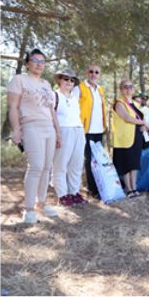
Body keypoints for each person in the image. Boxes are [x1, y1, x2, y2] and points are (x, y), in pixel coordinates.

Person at [7, 50, 61, 223]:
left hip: (49, 128)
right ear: (27, 63)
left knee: (47, 167)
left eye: (43, 61)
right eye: (35, 60)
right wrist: (16, 130)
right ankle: (29, 209)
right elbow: (13, 107)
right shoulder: (19, 80)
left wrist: (58, 132)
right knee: (36, 166)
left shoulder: (46, 84)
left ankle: (42, 203)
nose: (39, 64)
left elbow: (52, 110)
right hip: (31, 125)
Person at [50, 68, 87, 207]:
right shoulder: (55, 95)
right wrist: (57, 134)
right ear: (59, 79)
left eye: (72, 80)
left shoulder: (74, 97)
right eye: (66, 79)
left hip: (78, 130)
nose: (69, 82)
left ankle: (74, 192)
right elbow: (51, 115)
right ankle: (62, 195)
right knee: (60, 165)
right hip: (63, 131)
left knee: (76, 165)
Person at [112, 81, 147, 197]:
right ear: (121, 89)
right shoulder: (119, 103)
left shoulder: (136, 104)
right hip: (124, 138)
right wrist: (142, 122)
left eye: (131, 86)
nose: (128, 89)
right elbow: (126, 118)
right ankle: (129, 188)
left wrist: (143, 126)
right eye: (125, 87)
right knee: (126, 164)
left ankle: (135, 187)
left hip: (136, 137)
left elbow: (139, 118)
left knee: (134, 163)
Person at [79, 63, 107, 197]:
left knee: (98, 159)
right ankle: (92, 189)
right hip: (86, 130)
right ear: (87, 72)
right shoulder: (80, 87)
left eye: (96, 72)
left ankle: (99, 186)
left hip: (99, 130)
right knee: (89, 159)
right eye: (91, 71)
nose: (93, 74)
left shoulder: (100, 90)